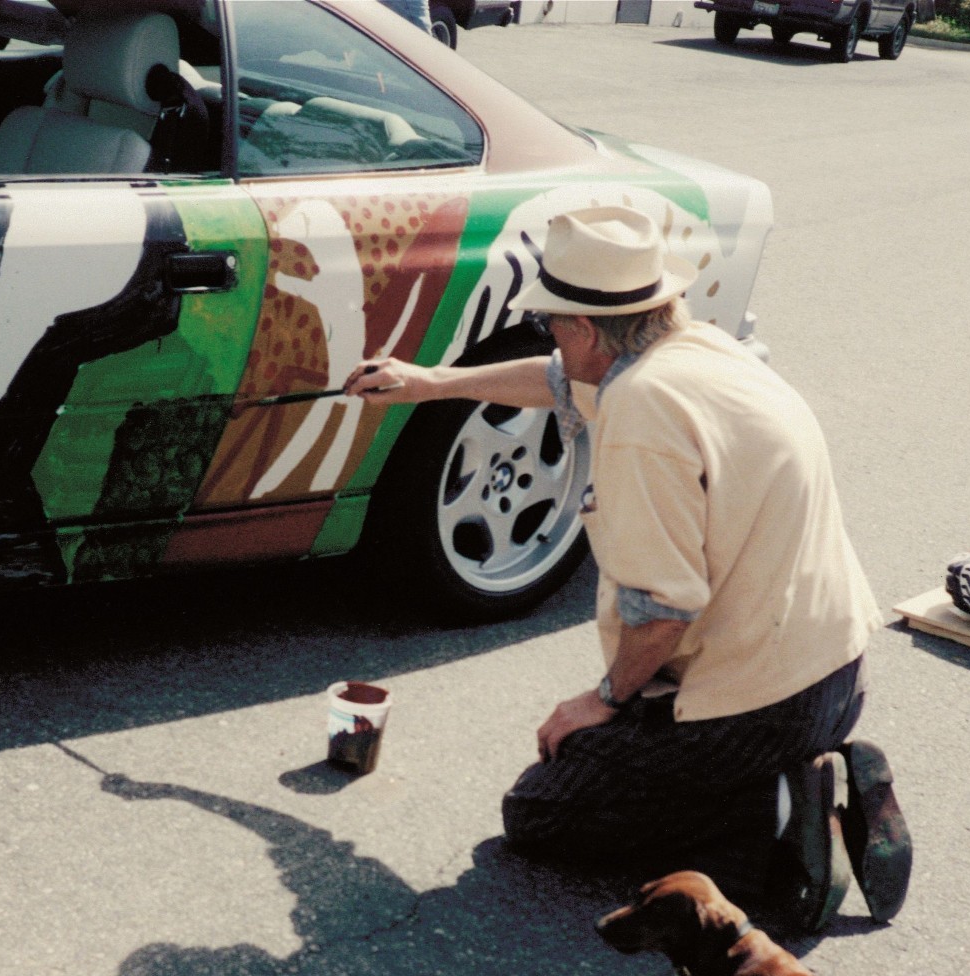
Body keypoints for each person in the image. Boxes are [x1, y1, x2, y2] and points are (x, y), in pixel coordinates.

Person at [345, 206, 909, 934]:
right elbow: (555, 381)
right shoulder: (695, 350)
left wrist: (602, 698)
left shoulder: (642, 412)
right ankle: (780, 783)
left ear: (583, 329)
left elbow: (663, 607)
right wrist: (431, 383)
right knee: (601, 769)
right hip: (837, 672)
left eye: (552, 322)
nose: (548, 337)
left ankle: (775, 822)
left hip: (759, 706)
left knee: (542, 813)